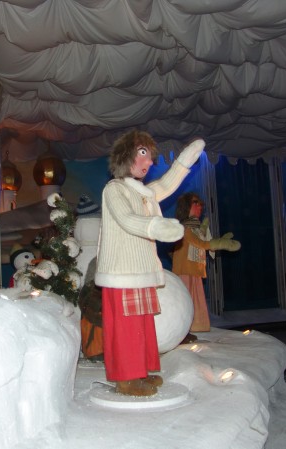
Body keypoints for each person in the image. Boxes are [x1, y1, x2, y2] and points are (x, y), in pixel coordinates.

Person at [95, 130, 205, 397]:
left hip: (140, 271)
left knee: (142, 325)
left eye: (150, 156)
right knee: (126, 327)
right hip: (122, 272)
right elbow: (127, 219)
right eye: (143, 154)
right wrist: (158, 226)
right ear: (126, 156)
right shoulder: (114, 189)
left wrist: (184, 162)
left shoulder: (142, 192)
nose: (149, 162)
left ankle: (140, 372)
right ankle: (126, 378)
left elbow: (165, 185)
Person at [171, 192, 240, 342]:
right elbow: (200, 243)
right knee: (185, 302)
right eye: (195, 203)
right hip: (184, 270)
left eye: (200, 203)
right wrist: (220, 243)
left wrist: (217, 240)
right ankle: (181, 331)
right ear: (186, 207)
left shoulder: (196, 228)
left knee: (195, 300)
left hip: (194, 269)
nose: (199, 206)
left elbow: (202, 240)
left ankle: (195, 328)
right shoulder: (185, 228)